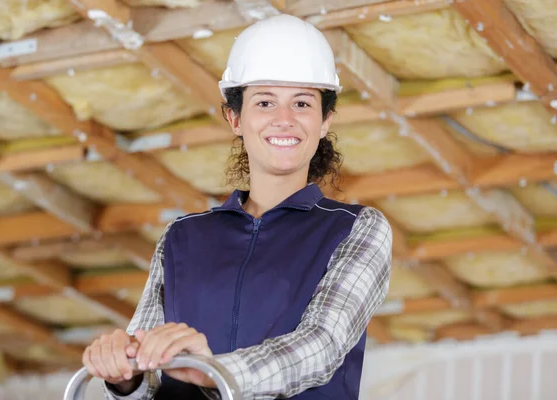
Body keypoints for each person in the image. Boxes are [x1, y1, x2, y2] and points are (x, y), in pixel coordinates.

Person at [83, 13, 392, 400]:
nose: (284, 120)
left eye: (301, 103)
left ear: (325, 119)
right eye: (264, 102)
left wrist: (214, 372)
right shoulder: (181, 238)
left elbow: (321, 347)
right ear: (235, 118)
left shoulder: (357, 229)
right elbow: (148, 374)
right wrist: (122, 372)